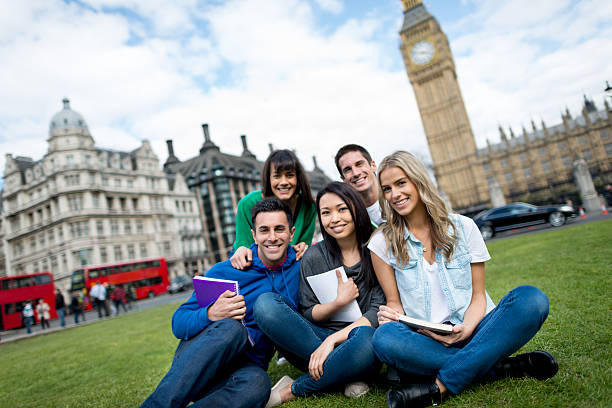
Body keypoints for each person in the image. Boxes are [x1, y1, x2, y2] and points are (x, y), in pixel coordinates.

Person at [368, 151, 558, 408]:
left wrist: (466, 328)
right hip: (427, 340)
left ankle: (439, 387)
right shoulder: (381, 243)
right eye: (387, 189)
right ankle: (499, 366)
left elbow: (479, 296)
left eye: (401, 183)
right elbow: (395, 303)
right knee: (384, 338)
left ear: (418, 181)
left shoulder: (463, 227)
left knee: (531, 300)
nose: (395, 194)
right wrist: (391, 316)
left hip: (476, 328)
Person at [141, 198, 301, 408]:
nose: (272, 237)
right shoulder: (225, 271)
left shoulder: (301, 267)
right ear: (254, 235)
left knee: (258, 384)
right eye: (264, 230)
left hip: (240, 375)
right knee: (232, 328)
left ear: (291, 232)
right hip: (200, 364)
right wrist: (210, 314)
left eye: (279, 229)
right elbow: (178, 322)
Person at [255, 182, 385, 407]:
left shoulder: (377, 249)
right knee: (265, 305)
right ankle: (347, 373)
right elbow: (309, 312)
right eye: (326, 213)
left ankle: (291, 390)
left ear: (356, 208)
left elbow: (376, 313)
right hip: (314, 343)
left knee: (368, 338)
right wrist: (338, 303)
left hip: (358, 342)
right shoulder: (314, 256)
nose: (334, 219)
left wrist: (333, 341)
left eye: (342, 209)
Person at [230, 149, 316, 269]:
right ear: (268, 179)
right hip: (253, 264)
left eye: (290, 175)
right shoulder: (248, 203)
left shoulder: (308, 206)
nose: (284, 182)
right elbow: (244, 247)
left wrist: (303, 247)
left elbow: (303, 246)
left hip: (288, 264)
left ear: (298, 178)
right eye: (277, 176)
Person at [335, 144, 384, 227]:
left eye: (359, 164)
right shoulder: (350, 219)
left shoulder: (398, 196)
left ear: (373, 166)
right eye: (348, 170)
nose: (356, 173)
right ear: (343, 178)